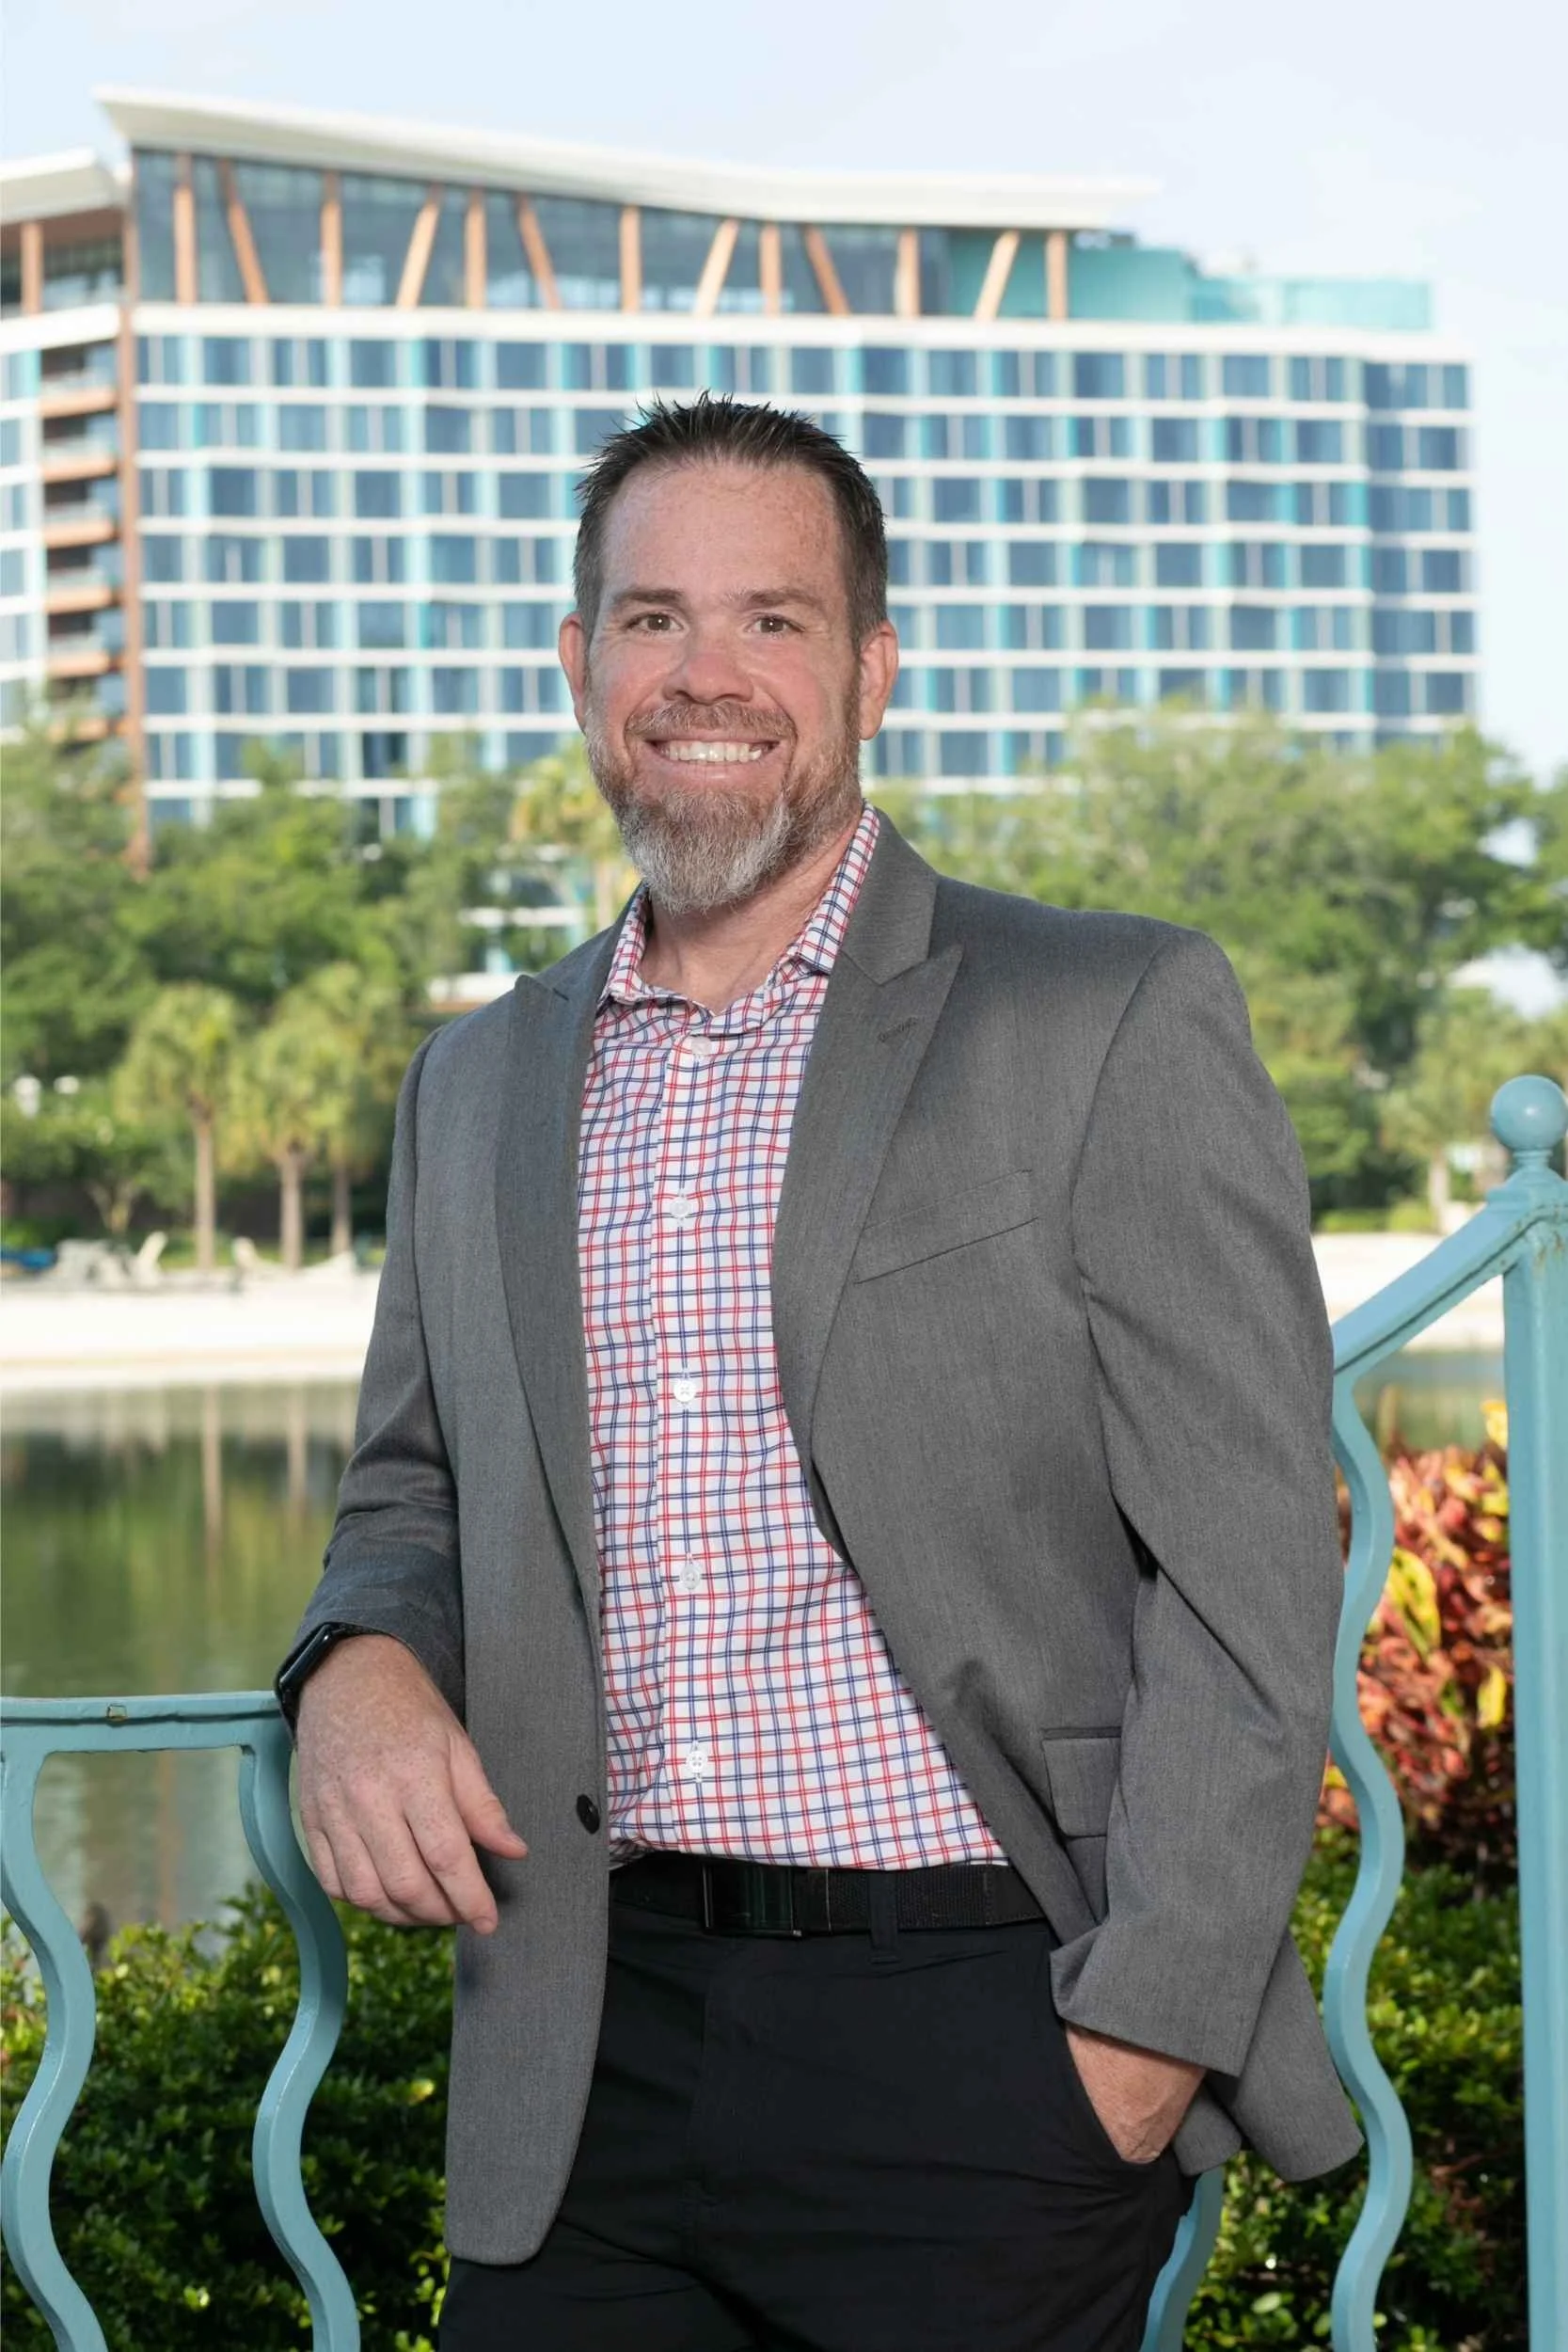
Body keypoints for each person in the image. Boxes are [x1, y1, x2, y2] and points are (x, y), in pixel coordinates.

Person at [277, 395, 1359, 2352]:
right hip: (584, 2049)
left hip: (983, 2040)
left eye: (770, 619)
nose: (704, 674)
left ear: (869, 667)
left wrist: (1135, 2037)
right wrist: (352, 1664)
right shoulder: (477, 1081)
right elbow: (407, 1485)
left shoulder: (1103, 1012)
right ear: (580, 665)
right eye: (652, 618)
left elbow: (1251, 1563)